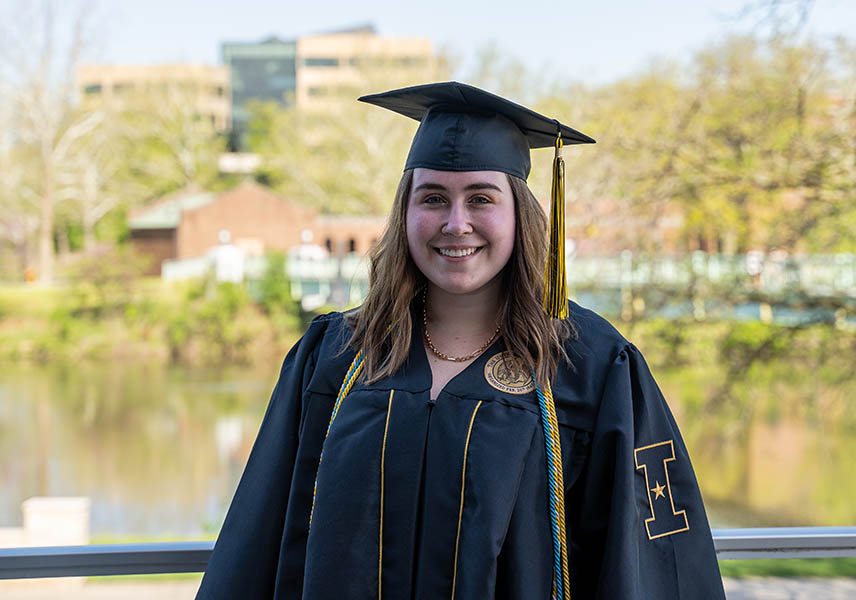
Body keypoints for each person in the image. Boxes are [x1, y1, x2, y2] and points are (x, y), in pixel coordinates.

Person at [196, 82, 726, 599]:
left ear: (520, 213)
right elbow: (257, 539)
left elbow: (647, 563)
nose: (456, 223)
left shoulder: (590, 367)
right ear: (405, 213)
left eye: (481, 199)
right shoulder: (335, 358)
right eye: (433, 198)